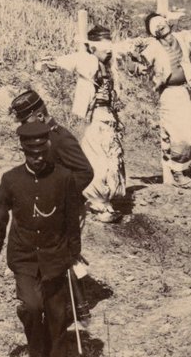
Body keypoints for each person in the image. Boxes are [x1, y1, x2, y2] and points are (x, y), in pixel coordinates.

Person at [0, 121, 85, 357]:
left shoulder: (64, 179)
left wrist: (74, 253)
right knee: (31, 306)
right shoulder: (11, 179)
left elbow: (72, 220)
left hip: (55, 255)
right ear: (24, 151)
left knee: (57, 312)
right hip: (24, 257)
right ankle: (36, 351)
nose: (38, 159)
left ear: (48, 147)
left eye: (42, 153)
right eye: (33, 154)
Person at [35, 25, 135, 223]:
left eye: (109, 46)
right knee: (97, 160)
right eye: (103, 46)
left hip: (109, 119)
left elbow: (124, 49)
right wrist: (48, 63)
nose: (107, 49)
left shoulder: (110, 64)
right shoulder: (87, 61)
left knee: (111, 159)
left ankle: (103, 200)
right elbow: (68, 61)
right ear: (92, 48)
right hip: (94, 119)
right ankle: (97, 204)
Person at [138, 11, 191, 189]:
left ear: (167, 22)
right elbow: (138, 66)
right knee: (177, 135)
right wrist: (135, 63)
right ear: (152, 32)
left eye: (160, 22)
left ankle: (180, 168)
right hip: (169, 94)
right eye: (154, 26)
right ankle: (177, 173)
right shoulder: (153, 47)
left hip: (188, 91)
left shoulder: (181, 37)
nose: (159, 26)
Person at [8, 89, 94, 202]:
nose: (23, 126)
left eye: (25, 122)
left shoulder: (61, 138)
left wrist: (59, 194)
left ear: (40, 116)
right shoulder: (39, 137)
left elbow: (85, 172)